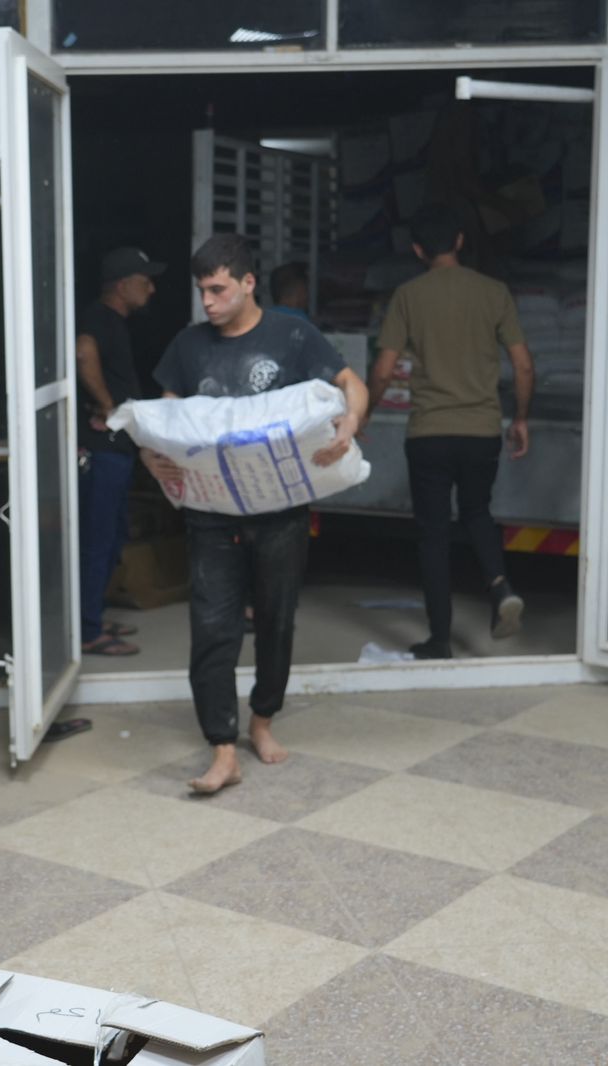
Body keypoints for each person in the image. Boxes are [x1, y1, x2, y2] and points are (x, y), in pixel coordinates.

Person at [146, 234, 368, 795]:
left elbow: (351, 385)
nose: (208, 302)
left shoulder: (292, 335)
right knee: (212, 629)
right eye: (202, 291)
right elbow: (167, 422)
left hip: (280, 513)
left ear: (248, 283)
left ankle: (262, 721)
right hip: (211, 516)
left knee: (276, 621)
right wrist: (153, 456)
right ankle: (223, 748)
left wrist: (349, 424)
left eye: (218, 289)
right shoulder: (188, 346)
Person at [366, 204, 535, 660]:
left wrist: (362, 416)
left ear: (418, 250)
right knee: (478, 513)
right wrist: (520, 418)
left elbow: (383, 369)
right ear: (460, 241)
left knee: (434, 534)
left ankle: (439, 639)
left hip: (429, 433)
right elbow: (522, 364)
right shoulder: (494, 292)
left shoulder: (408, 296)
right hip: (481, 431)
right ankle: (499, 586)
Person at [76, 246, 165, 657]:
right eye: (145, 281)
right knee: (97, 540)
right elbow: (83, 353)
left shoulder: (115, 322)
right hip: (102, 449)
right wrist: (107, 405)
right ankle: (86, 631)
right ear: (122, 285)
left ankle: (91, 615)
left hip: (116, 448)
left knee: (111, 538)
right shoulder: (98, 317)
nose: (151, 288)